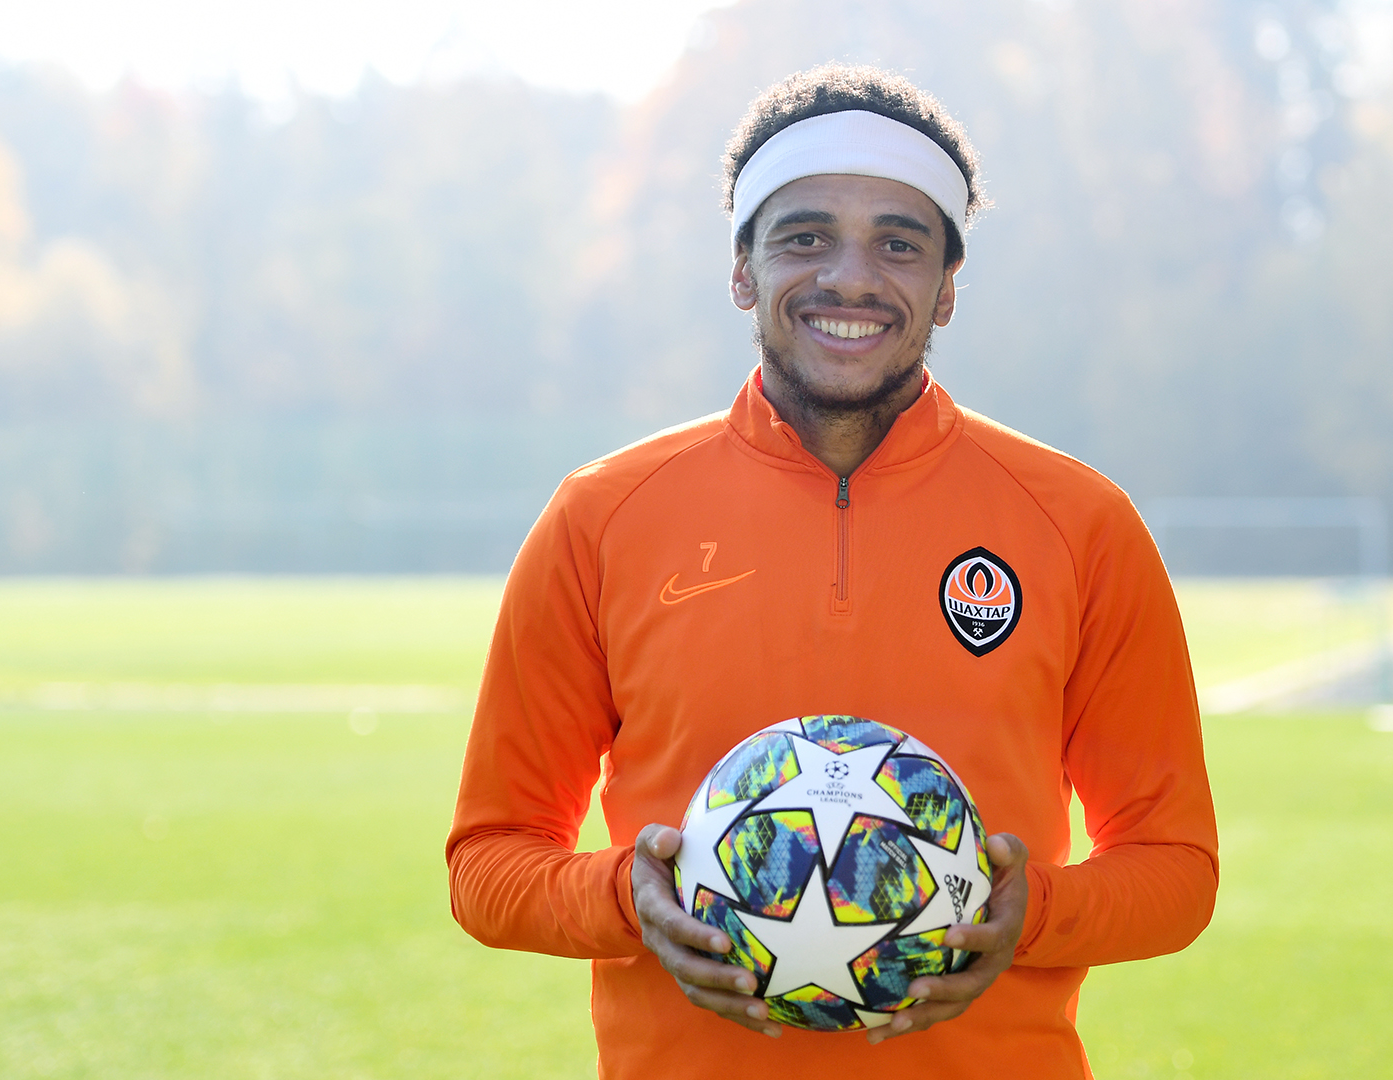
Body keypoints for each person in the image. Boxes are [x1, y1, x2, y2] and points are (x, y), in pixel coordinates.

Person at [447, 63, 1217, 1078]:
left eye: (898, 244)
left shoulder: (1080, 524)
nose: (850, 278)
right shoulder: (602, 516)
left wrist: (1034, 912)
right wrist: (625, 898)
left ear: (947, 289)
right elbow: (488, 859)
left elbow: (1176, 870)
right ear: (742, 270)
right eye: (805, 237)